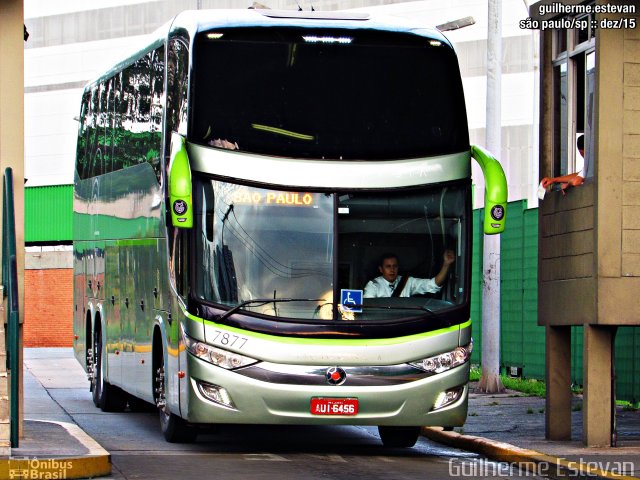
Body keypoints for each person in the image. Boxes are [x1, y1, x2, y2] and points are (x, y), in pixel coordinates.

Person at [363, 250, 455, 298]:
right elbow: (368, 308)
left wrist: (446, 264)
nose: (392, 269)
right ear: (381, 269)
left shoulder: (407, 281)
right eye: (388, 266)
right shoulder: (373, 285)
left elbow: (433, 284)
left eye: (395, 266)